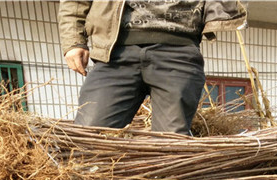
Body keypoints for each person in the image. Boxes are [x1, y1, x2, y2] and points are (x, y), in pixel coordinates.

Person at [58, 1, 247, 134]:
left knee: (171, 145)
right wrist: (73, 41)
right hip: (114, 51)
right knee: (90, 136)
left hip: (180, 47)